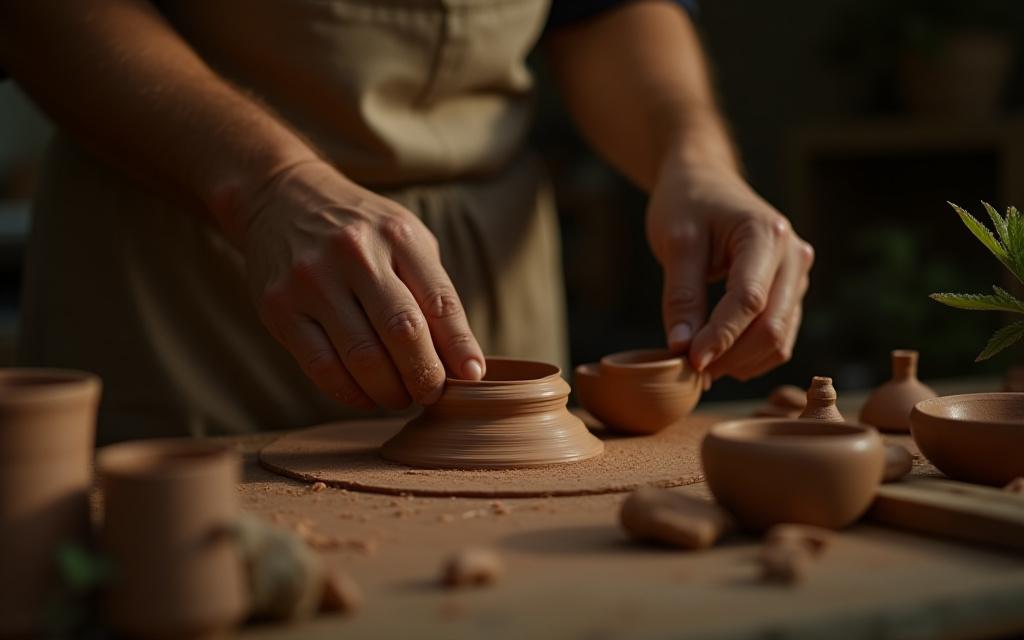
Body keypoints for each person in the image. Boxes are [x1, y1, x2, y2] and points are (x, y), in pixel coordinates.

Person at [0, 0, 813, 444]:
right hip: (187, 268)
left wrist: (693, 156)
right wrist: (267, 184)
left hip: (487, 268)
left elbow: (603, 10)